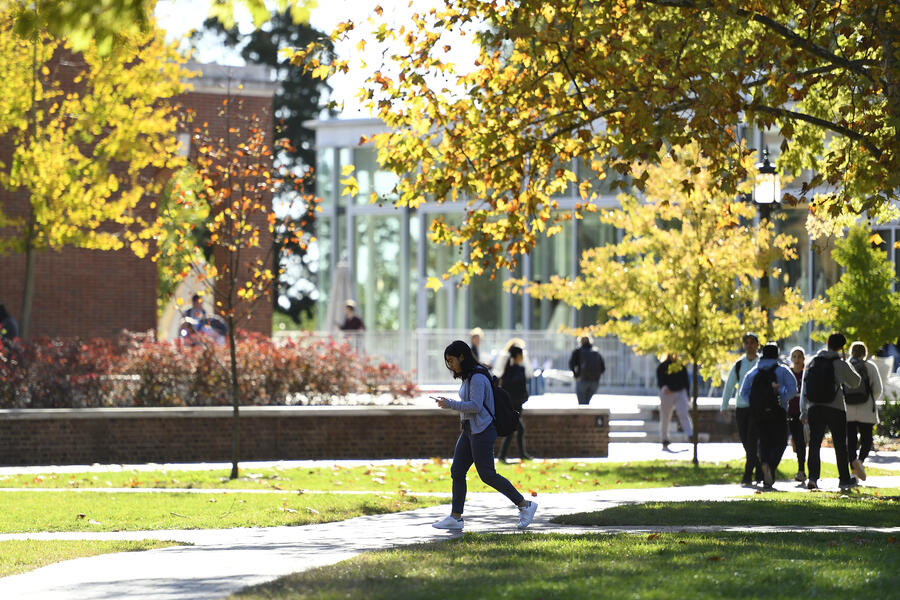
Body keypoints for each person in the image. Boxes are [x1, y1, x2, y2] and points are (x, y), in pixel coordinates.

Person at [430, 340, 538, 531]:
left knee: (487, 475)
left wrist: (450, 404)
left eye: (451, 360)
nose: (450, 365)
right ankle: (456, 517)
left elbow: (475, 406)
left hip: (482, 431)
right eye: (447, 361)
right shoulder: (469, 376)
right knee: (457, 471)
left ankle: (525, 505)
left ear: (462, 357)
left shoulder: (477, 377)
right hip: (469, 430)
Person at [800, 332, 861, 491]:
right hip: (836, 408)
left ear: (827, 342)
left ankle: (813, 478)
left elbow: (804, 388)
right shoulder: (839, 364)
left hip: (814, 407)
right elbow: (856, 382)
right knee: (840, 444)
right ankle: (844, 479)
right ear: (841, 347)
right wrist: (846, 361)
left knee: (814, 443)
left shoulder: (813, 361)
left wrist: (803, 410)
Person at [739, 342, 797, 489]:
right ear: (777, 354)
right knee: (781, 442)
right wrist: (780, 400)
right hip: (778, 412)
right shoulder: (782, 370)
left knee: (764, 442)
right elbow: (793, 389)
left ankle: (765, 467)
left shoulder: (753, 372)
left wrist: (755, 404)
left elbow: (743, 392)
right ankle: (770, 466)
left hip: (758, 414)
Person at [721, 332, 761, 486]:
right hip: (741, 408)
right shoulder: (739, 364)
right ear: (744, 345)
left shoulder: (761, 363)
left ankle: (747, 476)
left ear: (757, 345)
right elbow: (730, 385)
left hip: (756, 408)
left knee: (751, 441)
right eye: (747, 343)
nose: (749, 345)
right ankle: (759, 469)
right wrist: (724, 405)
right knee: (745, 441)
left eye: (752, 342)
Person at [844, 341, 883, 483]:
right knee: (867, 439)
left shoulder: (846, 366)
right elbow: (878, 389)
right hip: (866, 410)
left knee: (851, 441)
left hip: (848, 410)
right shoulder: (870, 367)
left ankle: (853, 468)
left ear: (851, 352)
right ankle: (859, 463)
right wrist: (869, 399)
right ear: (864, 353)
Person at [498, 345, 532, 462]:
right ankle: (506, 455)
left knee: (515, 429)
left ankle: (512, 455)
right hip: (516, 405)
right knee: (516, 429)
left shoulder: (508, 370)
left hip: (510, 405)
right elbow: (522, 388)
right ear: (518, 356)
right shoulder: (518, 370)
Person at [656, 353, 694, 450]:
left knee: (683, 413)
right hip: (667, 393)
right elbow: (660, 380)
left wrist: (688, 394)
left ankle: (690, 435)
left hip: (680, 392)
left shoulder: (681, 366)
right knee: (665, 416)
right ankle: (664, 438)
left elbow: (686, 381)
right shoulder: (662, 366)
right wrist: (664, 388)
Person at [786, 347, 808, 483]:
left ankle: (801, 470)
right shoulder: (787, 373)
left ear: (803, 359)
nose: (797, 359)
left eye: (799, 356)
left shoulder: (807, 373)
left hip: (802, 413)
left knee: (801, 442)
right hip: (789, 411)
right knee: (790, 441)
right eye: (794, 356)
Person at [569, 336, 605, 405]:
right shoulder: (596, 351)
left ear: (580, 342)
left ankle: (583, 416)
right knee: (587, 403)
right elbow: (603, 368)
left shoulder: (578, 351)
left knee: (582, 405)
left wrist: (576, 376)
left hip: (582, 380)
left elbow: (571, 364)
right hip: (594, 382)